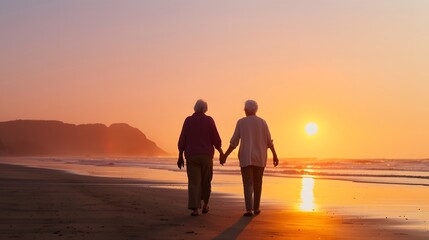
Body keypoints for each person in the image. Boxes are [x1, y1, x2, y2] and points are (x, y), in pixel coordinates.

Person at [220, 100, 279, 216]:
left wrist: (225, 155)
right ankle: (256, 208)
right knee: (258, 182)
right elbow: (269, 141)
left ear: (246, 110)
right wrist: (275, 155)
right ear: (256, 110)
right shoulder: (263, 122)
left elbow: (234, 142)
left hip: (246, 157)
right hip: (260, 157)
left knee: (248, 183)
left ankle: (249, 209)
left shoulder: (241, 122)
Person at [177, 99, 224, 216]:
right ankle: (205, 205)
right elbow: (216, 139)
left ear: (195, 108)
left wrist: (180, 156)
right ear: (205, 109)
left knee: (194, 182)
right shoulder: (209, 121)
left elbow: (182, 139)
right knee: (206, 181)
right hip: (206, 156)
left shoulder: (188, 121)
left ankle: (195, 209)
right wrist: (221, 152)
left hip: (192, 156)